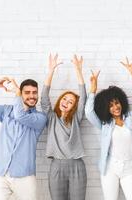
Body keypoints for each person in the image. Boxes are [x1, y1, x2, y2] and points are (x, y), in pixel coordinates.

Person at [0, 77, 47, 200]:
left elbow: (20, 116)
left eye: (34, 92)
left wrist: (17, 94)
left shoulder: (40, 118)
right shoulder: (7, 111)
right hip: (0, 172)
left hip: (24, 175)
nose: (32, 96)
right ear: (21, 94)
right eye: (27, 92)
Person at [84, 57, 132, 200]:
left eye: (116, 103)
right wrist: (92, 89)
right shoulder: (105, 124)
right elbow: (89, 113)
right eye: (110, 105)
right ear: (106, 108)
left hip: (129, 168)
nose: (115, 107)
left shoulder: (131, 117)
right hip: (110, 168)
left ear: (121, 102)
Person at [40, 54, 87, 200]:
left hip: (77, 166)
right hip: (57, 166)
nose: (66, 102)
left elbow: (83, 97)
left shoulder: (76, 119)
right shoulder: (51, 117)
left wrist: (78, 70)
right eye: (65, 98)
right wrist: (51, 70)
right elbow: (44, 98)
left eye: (71, 101)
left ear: (74, 106)